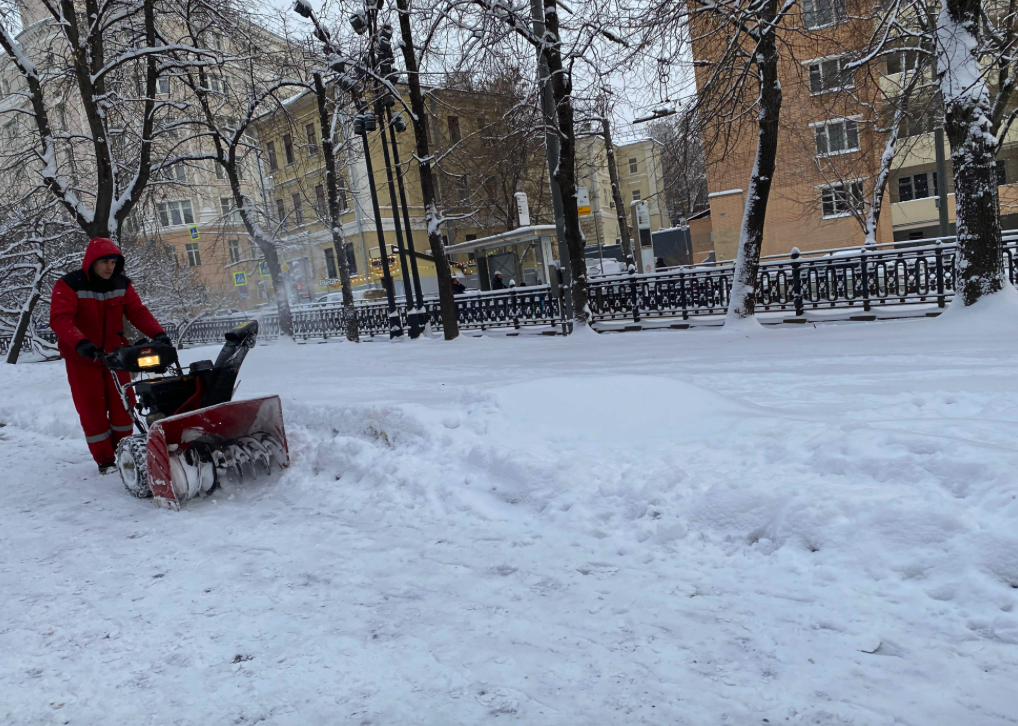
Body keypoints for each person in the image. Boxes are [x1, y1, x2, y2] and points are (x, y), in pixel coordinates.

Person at [50, 237, 169, 474]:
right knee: (92, 409)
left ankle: (124, 452)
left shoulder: (121, 285)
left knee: (124, 406)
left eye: (113, 262)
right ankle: (105, 460)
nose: (109, 267)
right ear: (91, 262)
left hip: (116, 357)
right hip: (83, 359)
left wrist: (159, 334)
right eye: (104, 262)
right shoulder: (70, 285)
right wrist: (81, 343)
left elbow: (137, 312)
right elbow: (60, 319)